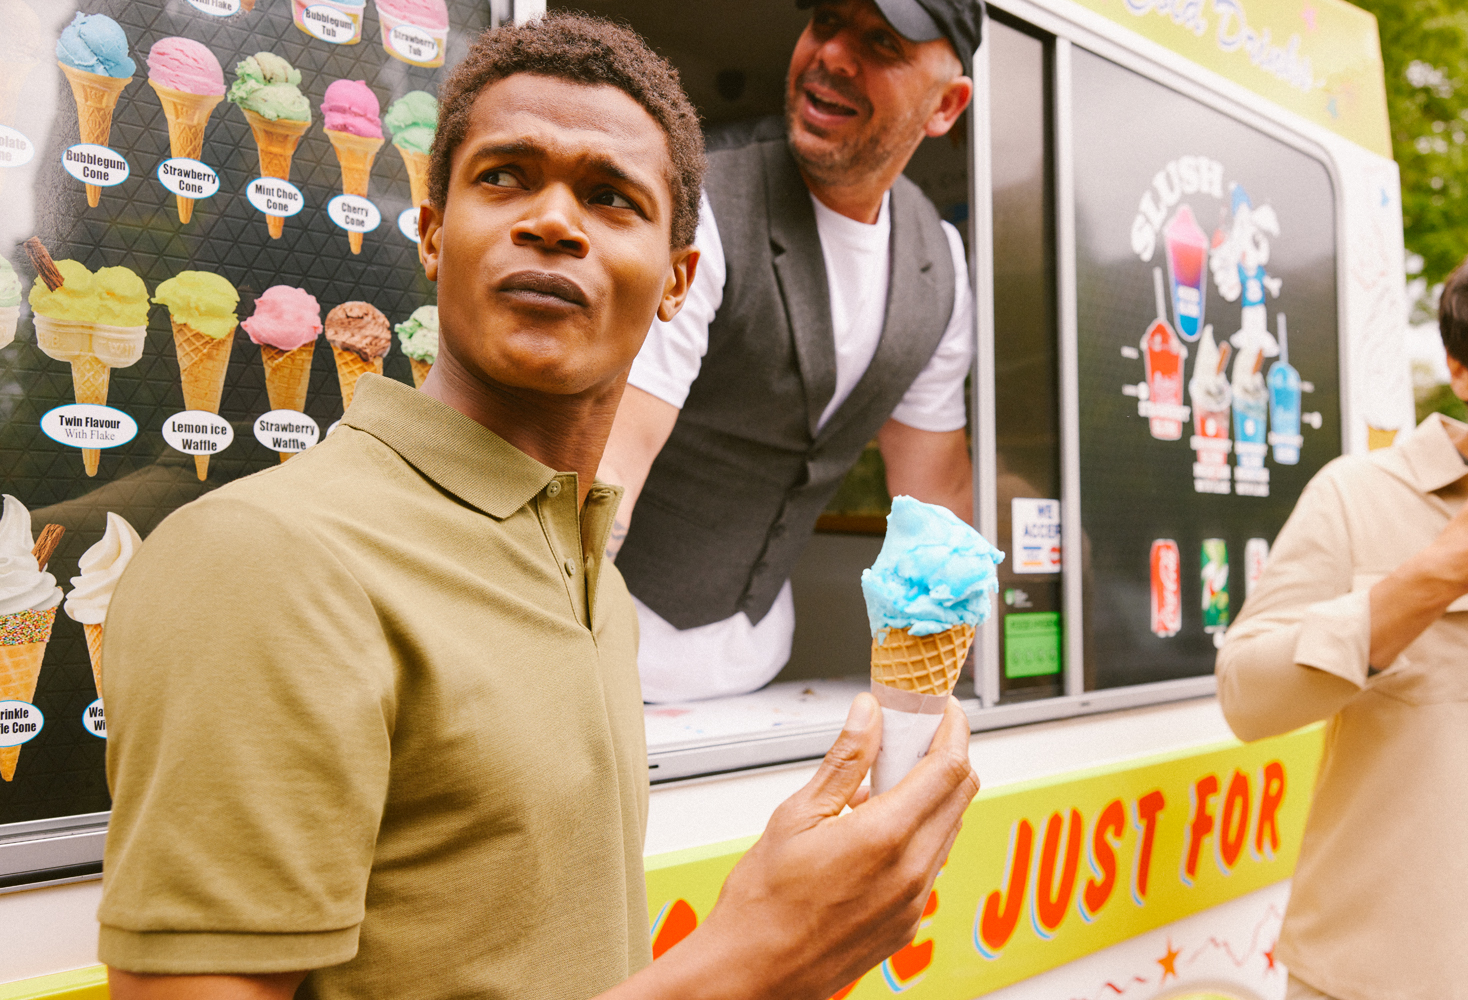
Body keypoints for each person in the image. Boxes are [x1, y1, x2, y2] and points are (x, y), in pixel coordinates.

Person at [96, 15, 979, 1000]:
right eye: (505, 175)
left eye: (609, 196)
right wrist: (745, 965)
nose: (554, 219)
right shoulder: (266, 565)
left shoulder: (583, 573)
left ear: (679, 281)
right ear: (432, 234)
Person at [1216, 233, 1468, 1000]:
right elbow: (1248, 699)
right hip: (1368, 979)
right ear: (1461, 372)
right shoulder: (1357, 494)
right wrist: (1436, 573)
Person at [598, 0, 983, 703]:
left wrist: (925, 707)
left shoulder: (942, 264)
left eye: (882, 42)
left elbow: (935, 507)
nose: (834, 54)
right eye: (828, 21)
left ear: (946, 106)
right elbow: (608, 461)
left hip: (761, 666)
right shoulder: (703, 203)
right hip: (606, 660)